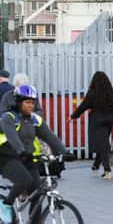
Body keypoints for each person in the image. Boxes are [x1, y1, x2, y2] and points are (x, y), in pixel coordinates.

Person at [0, 85, 69, 223]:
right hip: (6, 156)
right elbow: (12, 137)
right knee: (24, 180)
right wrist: (21, 152)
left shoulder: (35, 120)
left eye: (32, 102)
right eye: (27, 102)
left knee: (37, 193)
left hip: (27, 157)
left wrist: (65, 152)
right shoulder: (9, 118)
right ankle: (5, 205)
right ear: (18, 103)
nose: (30, 106)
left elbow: (50, 137)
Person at [70, 71, 113, 180]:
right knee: (104, 143)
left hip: (97, 121)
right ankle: (96, 165)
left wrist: (73, 116)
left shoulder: (93, 93)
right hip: (109, 120)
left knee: (103, 146)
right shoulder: (110, 92)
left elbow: (83, 106)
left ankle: (107, 170)